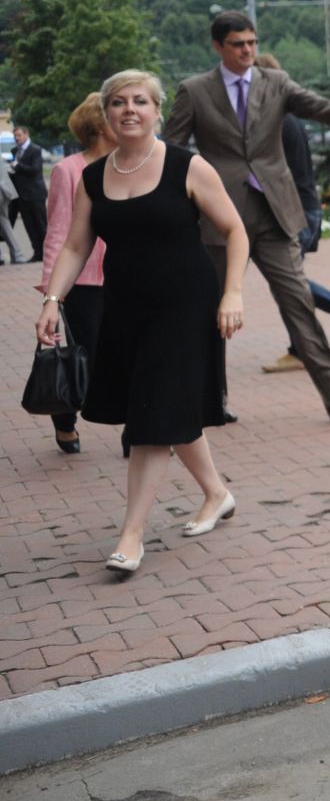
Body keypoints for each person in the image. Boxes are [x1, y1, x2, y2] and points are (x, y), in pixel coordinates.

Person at [35, 70, 248, 574]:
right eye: (118, 103)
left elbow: (236, 230)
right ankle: (216, 493)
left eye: (140, 102)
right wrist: (51, 299)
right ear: (105, 114)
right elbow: (75, 245)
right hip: (125, 308)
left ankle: (131, 535)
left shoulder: (186, 166)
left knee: (150, 418)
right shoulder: (92, 177)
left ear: (156, 110)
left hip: (186, 306)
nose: (129, 110)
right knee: (165, 404)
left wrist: (233, 292)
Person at [163, 11, 330, 421]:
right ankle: (211, 399)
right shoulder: (195, 90)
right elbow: (171, 148)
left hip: (274, 214)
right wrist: (178, 198)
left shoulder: (276, 83)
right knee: (211, 309)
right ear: (218, 47)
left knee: (298, 301)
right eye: (238, 44)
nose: (248, 50)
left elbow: (314, 104)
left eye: (252, 42)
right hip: (220, 219)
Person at [255, 52, 330, 374]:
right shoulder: (284, 118)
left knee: (289, 280)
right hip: (301, 208)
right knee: (289, 280)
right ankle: (300, 347)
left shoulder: (276, 121)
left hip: (294, 212)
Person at [34, 94, 116, 452]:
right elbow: (59, 232)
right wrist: (54, 291)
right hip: (83, 284)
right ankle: (64, 418)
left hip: (127, 277)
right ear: (100, 125)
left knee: (133, 352)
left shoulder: (128, 166)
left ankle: (137, 432)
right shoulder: (69, 170)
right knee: (88, 357)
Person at [10, 122, 48, 260]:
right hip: (22, 195)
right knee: (29, 226)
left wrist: (18, 166)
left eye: (19, 135)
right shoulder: (15, 151)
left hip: (35, 194)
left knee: (41, 225)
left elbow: (35, 170)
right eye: (15, 136)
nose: (17, 138)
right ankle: (37, 253)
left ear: (26, 134)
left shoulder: (35, 149)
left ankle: (47, 253)